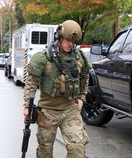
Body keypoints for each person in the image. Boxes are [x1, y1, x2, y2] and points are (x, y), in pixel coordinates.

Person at [23, 20, 92, 158]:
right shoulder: (44, 58)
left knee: (77, 148)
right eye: (67, 40)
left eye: (73, 41)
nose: (70, 44)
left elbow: (85, 77)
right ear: (60, 37)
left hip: (70, 110)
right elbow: (31, 83)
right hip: (48, 111)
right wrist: (27, 107)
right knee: (45, 151)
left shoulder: (80, 58)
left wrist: (81, 98)